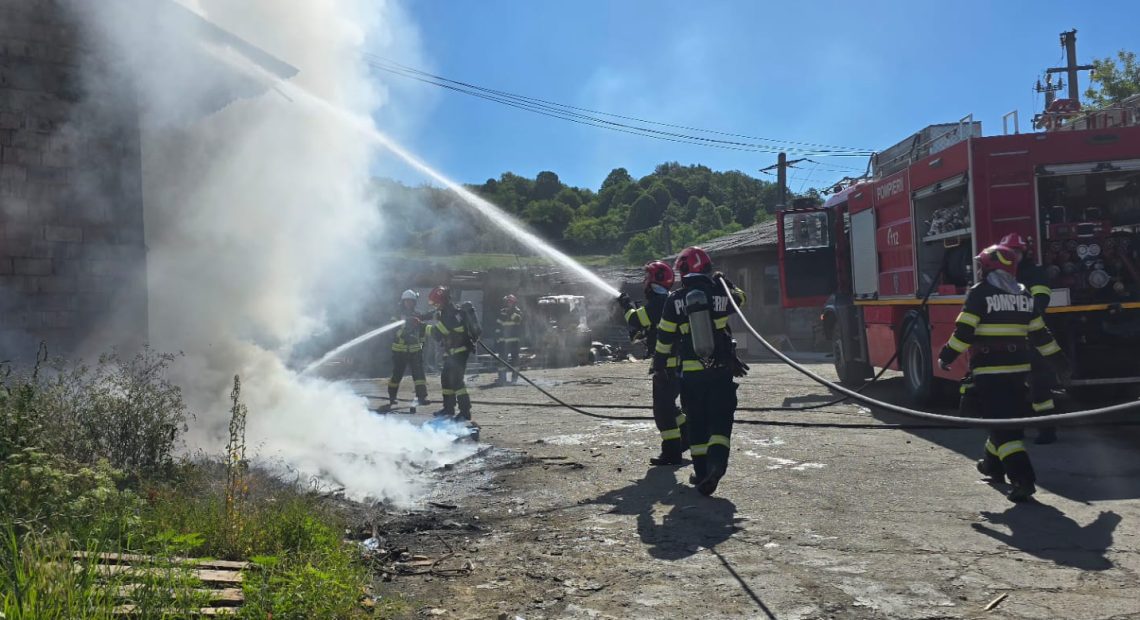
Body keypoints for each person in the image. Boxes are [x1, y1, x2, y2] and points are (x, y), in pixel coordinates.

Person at [938, 243, 1069, 502]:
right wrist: (1061, 364)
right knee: (1003, 419)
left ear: (989, 267)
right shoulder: (1024, 295)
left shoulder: (980, 293)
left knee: (1005, 430)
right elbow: (1042, 336)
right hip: (1019, 371)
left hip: (990, 371)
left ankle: (1023, 480)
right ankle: (992, 466)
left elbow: (965, 332)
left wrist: (946, 356)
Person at [653, 247, 748, 496]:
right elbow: (741, 299)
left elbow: (664, 337)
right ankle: (717, 465)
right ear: (705, 267)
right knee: (720, 421)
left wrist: (660, 365)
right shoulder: (720, 292)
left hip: (691, 376)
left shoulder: (675, 300)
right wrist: (724, 281)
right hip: (720, 372)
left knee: (696, 425)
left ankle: (702, 471)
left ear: (684, 271)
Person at [617, 260, 689, 466]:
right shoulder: (666, 300)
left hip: (666, 366)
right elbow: (645, 328)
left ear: (655, 279)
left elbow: (635, 319)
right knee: (670, 407)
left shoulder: (659, 303)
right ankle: (688, 433)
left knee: (663, 412)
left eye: (647, 277)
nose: (644, 281)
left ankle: (672, 453)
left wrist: (626, 304)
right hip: (674, 365)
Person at [1001, 232, 1059, 444]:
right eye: (1010, 252)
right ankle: (1016, 429)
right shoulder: (1001, 275)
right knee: (1013, 386)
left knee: (1040, 384)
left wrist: (1027, 315)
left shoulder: (1033, 273)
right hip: (1011, 338)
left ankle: (1047, 431)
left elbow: (1041, 297)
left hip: (1032, 335)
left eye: (1017, 252)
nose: (1014, 256)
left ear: (1024, 253)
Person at [428, 286, 474, 421]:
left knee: (457, 382)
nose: (436, 306)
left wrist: (421, 327)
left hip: (459, 352)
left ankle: (465, 411)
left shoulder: (449, 314)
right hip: (453, 352)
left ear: (443, 300)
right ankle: (448, 408)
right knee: (446, 379)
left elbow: (437, 334)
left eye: (437, 303)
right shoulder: (449, 311)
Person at [385, 289, 430, 410]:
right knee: (397, 375)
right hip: (400, 351)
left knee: (419, 375)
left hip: (415, 350)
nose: (409, 304)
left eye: (411, 301)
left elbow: (421, 332)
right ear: (403, 302)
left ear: (414, 302)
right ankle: (392, 397)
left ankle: (422, 397)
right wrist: (404, 332)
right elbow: (393, 331)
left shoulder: (417, 314)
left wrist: (421, 344)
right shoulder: (397, 315)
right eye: (407, 301)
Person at [495, 294, 524, 385]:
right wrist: (497, 337)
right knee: (502, 361)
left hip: (514, 341)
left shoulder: (517, 312)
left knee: (515, 360)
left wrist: (510, 312)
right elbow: (498, 325)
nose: (508, 304)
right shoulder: (502, 312)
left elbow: (517, 321)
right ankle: (502, 378)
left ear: (514, 303)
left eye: (510, 302)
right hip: (503, 341)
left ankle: (514, 379)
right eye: (507, 302)